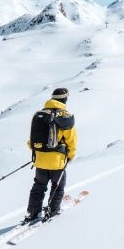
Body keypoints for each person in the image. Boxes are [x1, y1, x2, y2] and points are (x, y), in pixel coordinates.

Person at [24, 88, 77, 223]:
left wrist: (39, 152)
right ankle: (52, 210)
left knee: (38, 186)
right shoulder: (64, 116)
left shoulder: (39, 115)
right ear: (65, 99)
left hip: (40, 160)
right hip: (57, 160)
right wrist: (70, 156)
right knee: (57, 186)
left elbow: (32, 140)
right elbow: (71, 140)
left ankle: (32, 212)